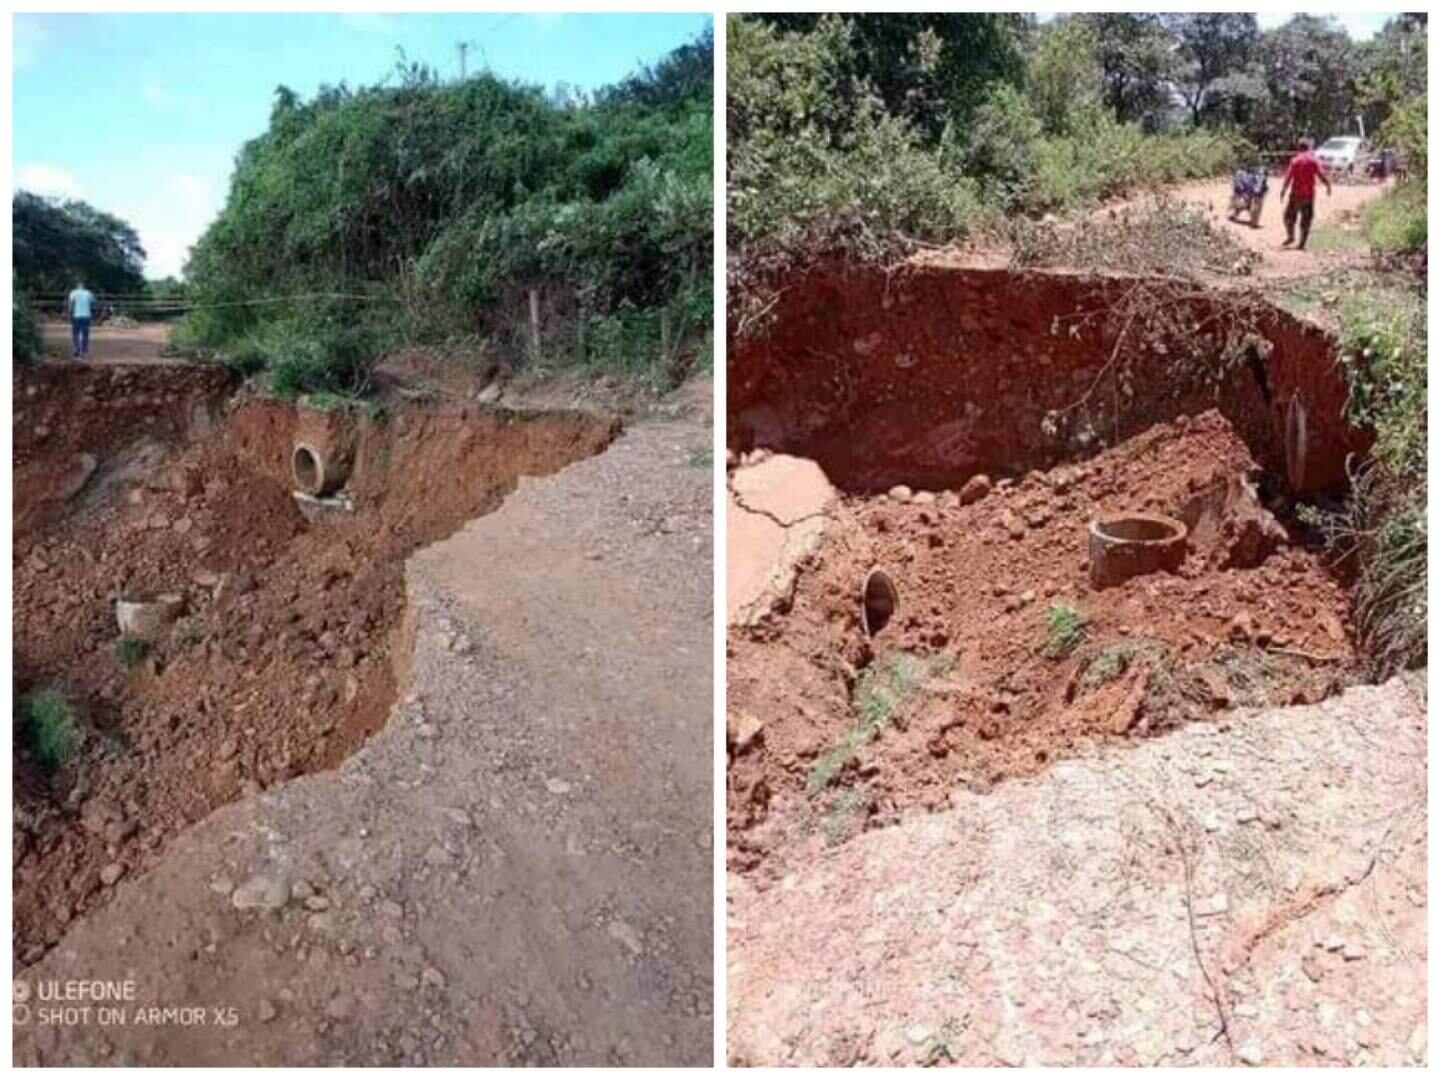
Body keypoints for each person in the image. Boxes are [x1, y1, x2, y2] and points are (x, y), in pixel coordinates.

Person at [1279, 137, 1331, 251]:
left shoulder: (1295, 161)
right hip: (1308, 195)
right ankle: (1301, 244)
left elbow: (1288, 177)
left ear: (1298, 147)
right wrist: (1328, 186)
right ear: (1308, 148)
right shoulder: (1313, 160)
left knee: (1288, 217)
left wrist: (1283, 190)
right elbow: (1321, 175)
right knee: (1306, 219)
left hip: (1295, 194)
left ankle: (1291, 236)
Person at [66, 280, 95, 359]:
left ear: (77, 286)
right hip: (86, 316)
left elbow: (70, 304)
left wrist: (69, 313)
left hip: (77, 316)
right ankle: (84, 351)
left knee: (76, 333)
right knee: (85, 334)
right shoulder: (89, 293)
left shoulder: (73, 293)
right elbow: (93, 303)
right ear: (83, 286)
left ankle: (77, 348)